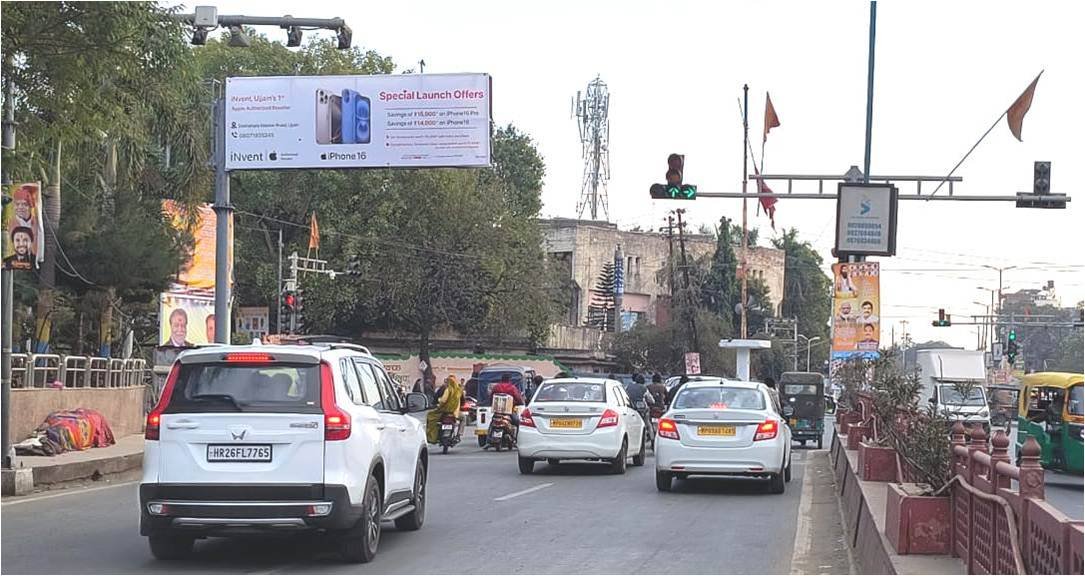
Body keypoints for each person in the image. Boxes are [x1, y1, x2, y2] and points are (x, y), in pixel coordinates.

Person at [426, 374, 464, 444]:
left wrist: (438, 403)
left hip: (444, 411)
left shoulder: (447, 389)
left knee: (431, 416)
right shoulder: (459, 391)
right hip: (455, 413)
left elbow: (442, 400)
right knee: (463, 418)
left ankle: (432, 437)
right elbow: (463, 401)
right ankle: (459, 435)